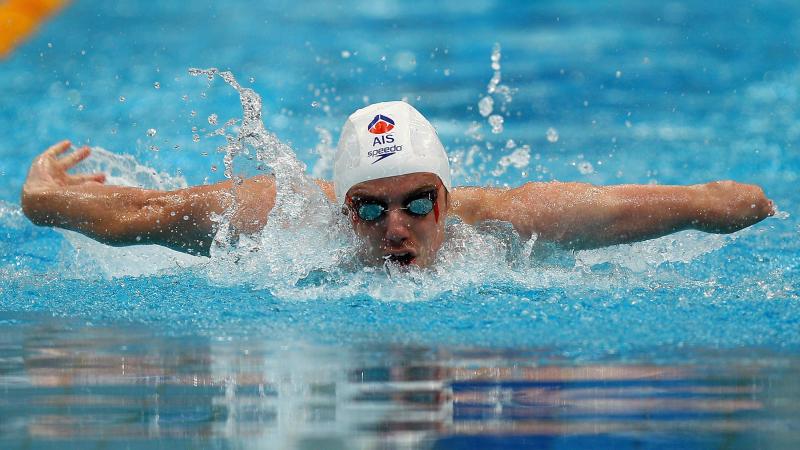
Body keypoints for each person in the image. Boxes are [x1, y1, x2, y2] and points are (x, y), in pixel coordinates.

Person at [20, 101, 775, 267]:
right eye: (369, 208)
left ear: (447, 197)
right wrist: (46, 198)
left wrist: (758, 206)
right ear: (341, 204)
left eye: (419, 202)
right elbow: (137, 216)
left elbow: (711, 203)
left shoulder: (517, 221)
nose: (396, 227)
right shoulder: (280, 218)